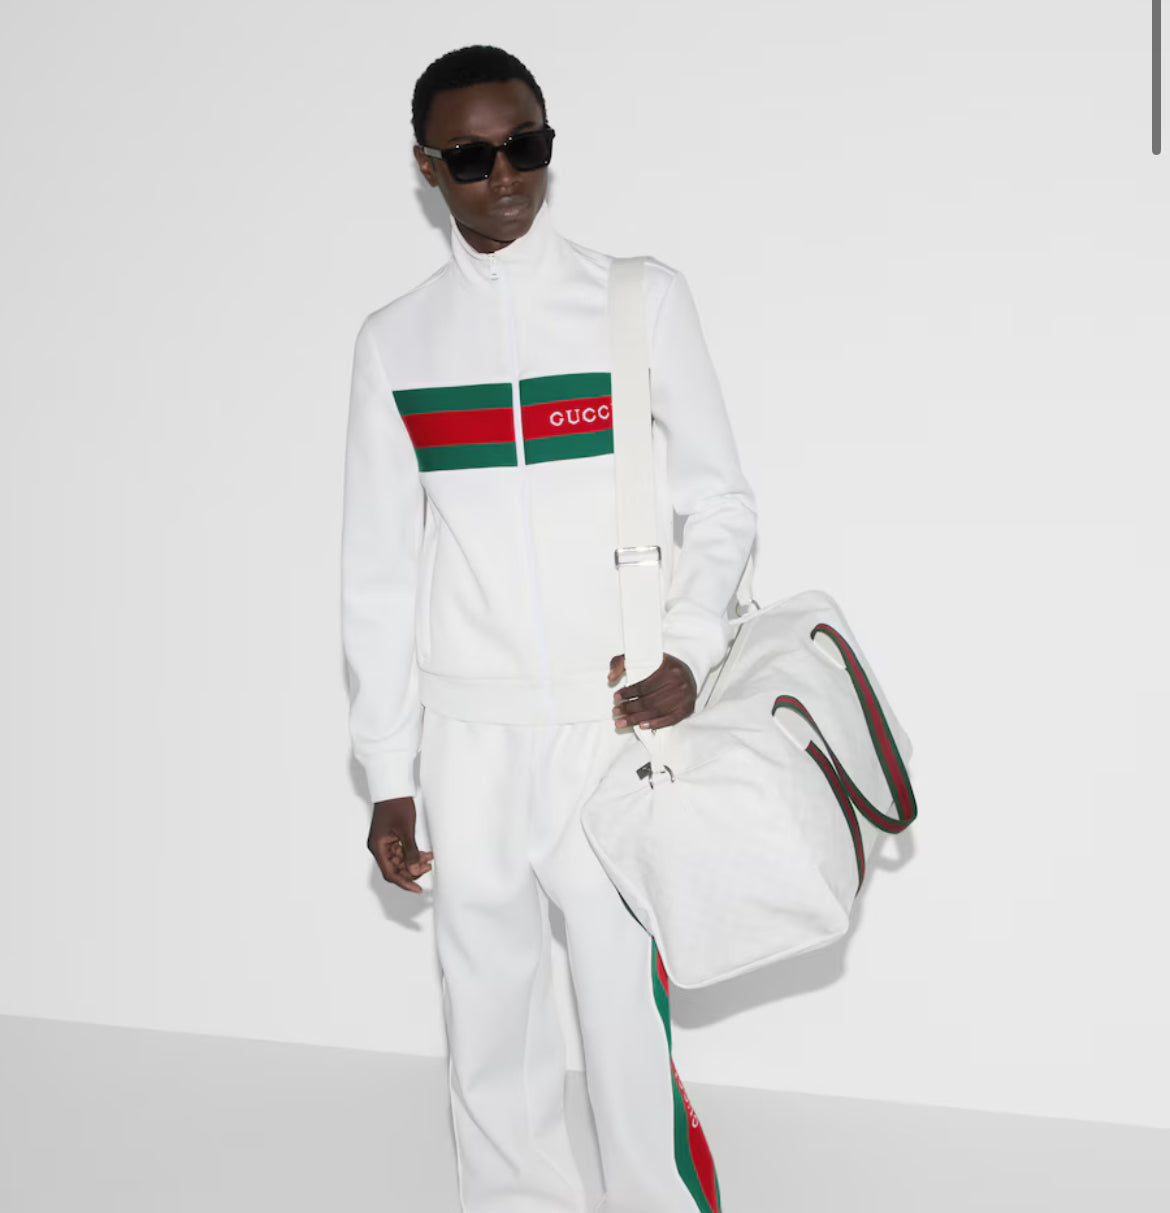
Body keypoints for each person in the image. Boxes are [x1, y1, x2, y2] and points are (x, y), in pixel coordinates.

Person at [340, 44, 757, 1213]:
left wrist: (689, 645)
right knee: (488, 1016)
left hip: (607, 726)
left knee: (624, 1010)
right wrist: (388, 771)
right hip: (467, 738)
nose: (504, 176)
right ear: (427, 167)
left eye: (525, 145)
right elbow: (376, 571)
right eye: (471, 157)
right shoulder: (397, 342)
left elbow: (722, 501)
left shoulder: (638, 299)